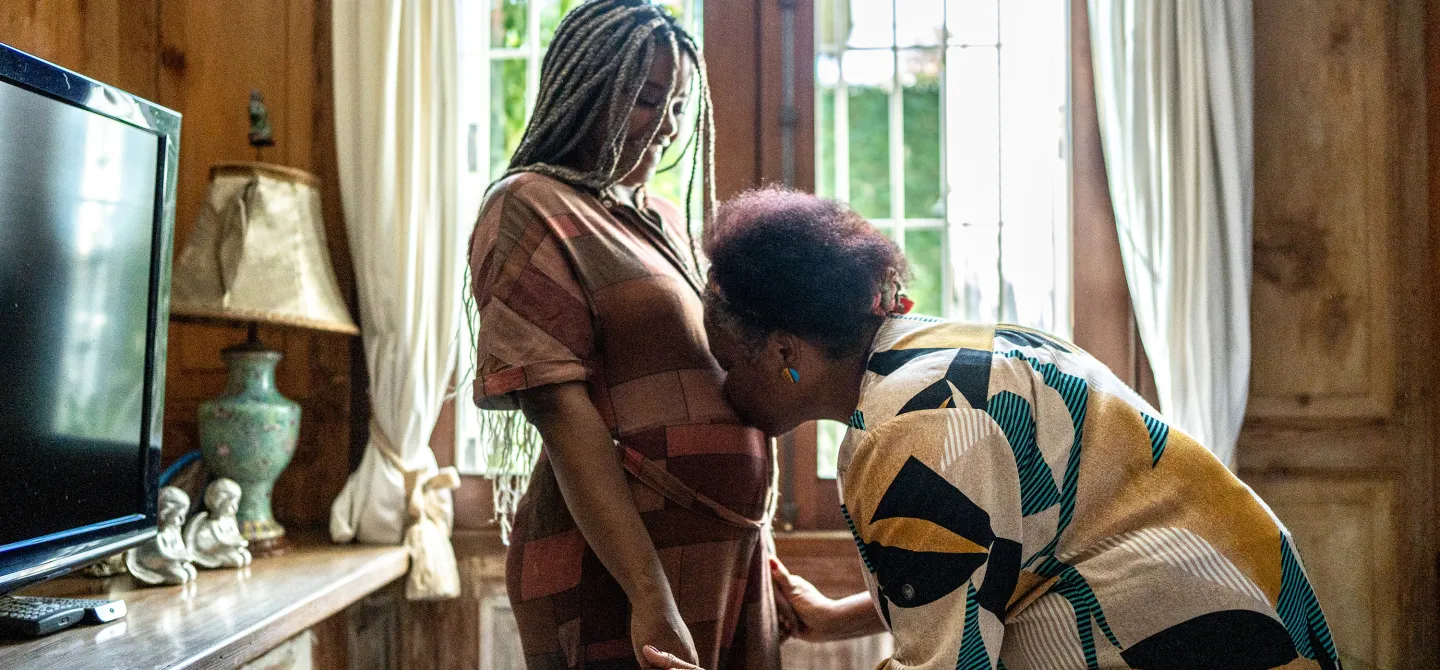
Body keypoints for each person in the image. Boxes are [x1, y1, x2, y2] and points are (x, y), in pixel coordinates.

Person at [649, 187, 1343, 670]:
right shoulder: (946, 352)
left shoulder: (907, 431)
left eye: (725, 359)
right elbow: (1004, 555)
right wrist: (843, 616)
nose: (720, 385)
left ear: (783, 353)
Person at [467, 2, 783, 669]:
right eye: (645, 100)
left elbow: (715, 387)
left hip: (723, 555)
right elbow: (558, 408)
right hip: (618, 569)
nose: (667, 129)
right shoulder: (529, 205)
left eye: (677, 106)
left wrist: (762, 554)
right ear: (583, 93)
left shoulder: (662, 220)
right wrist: (649, 593)